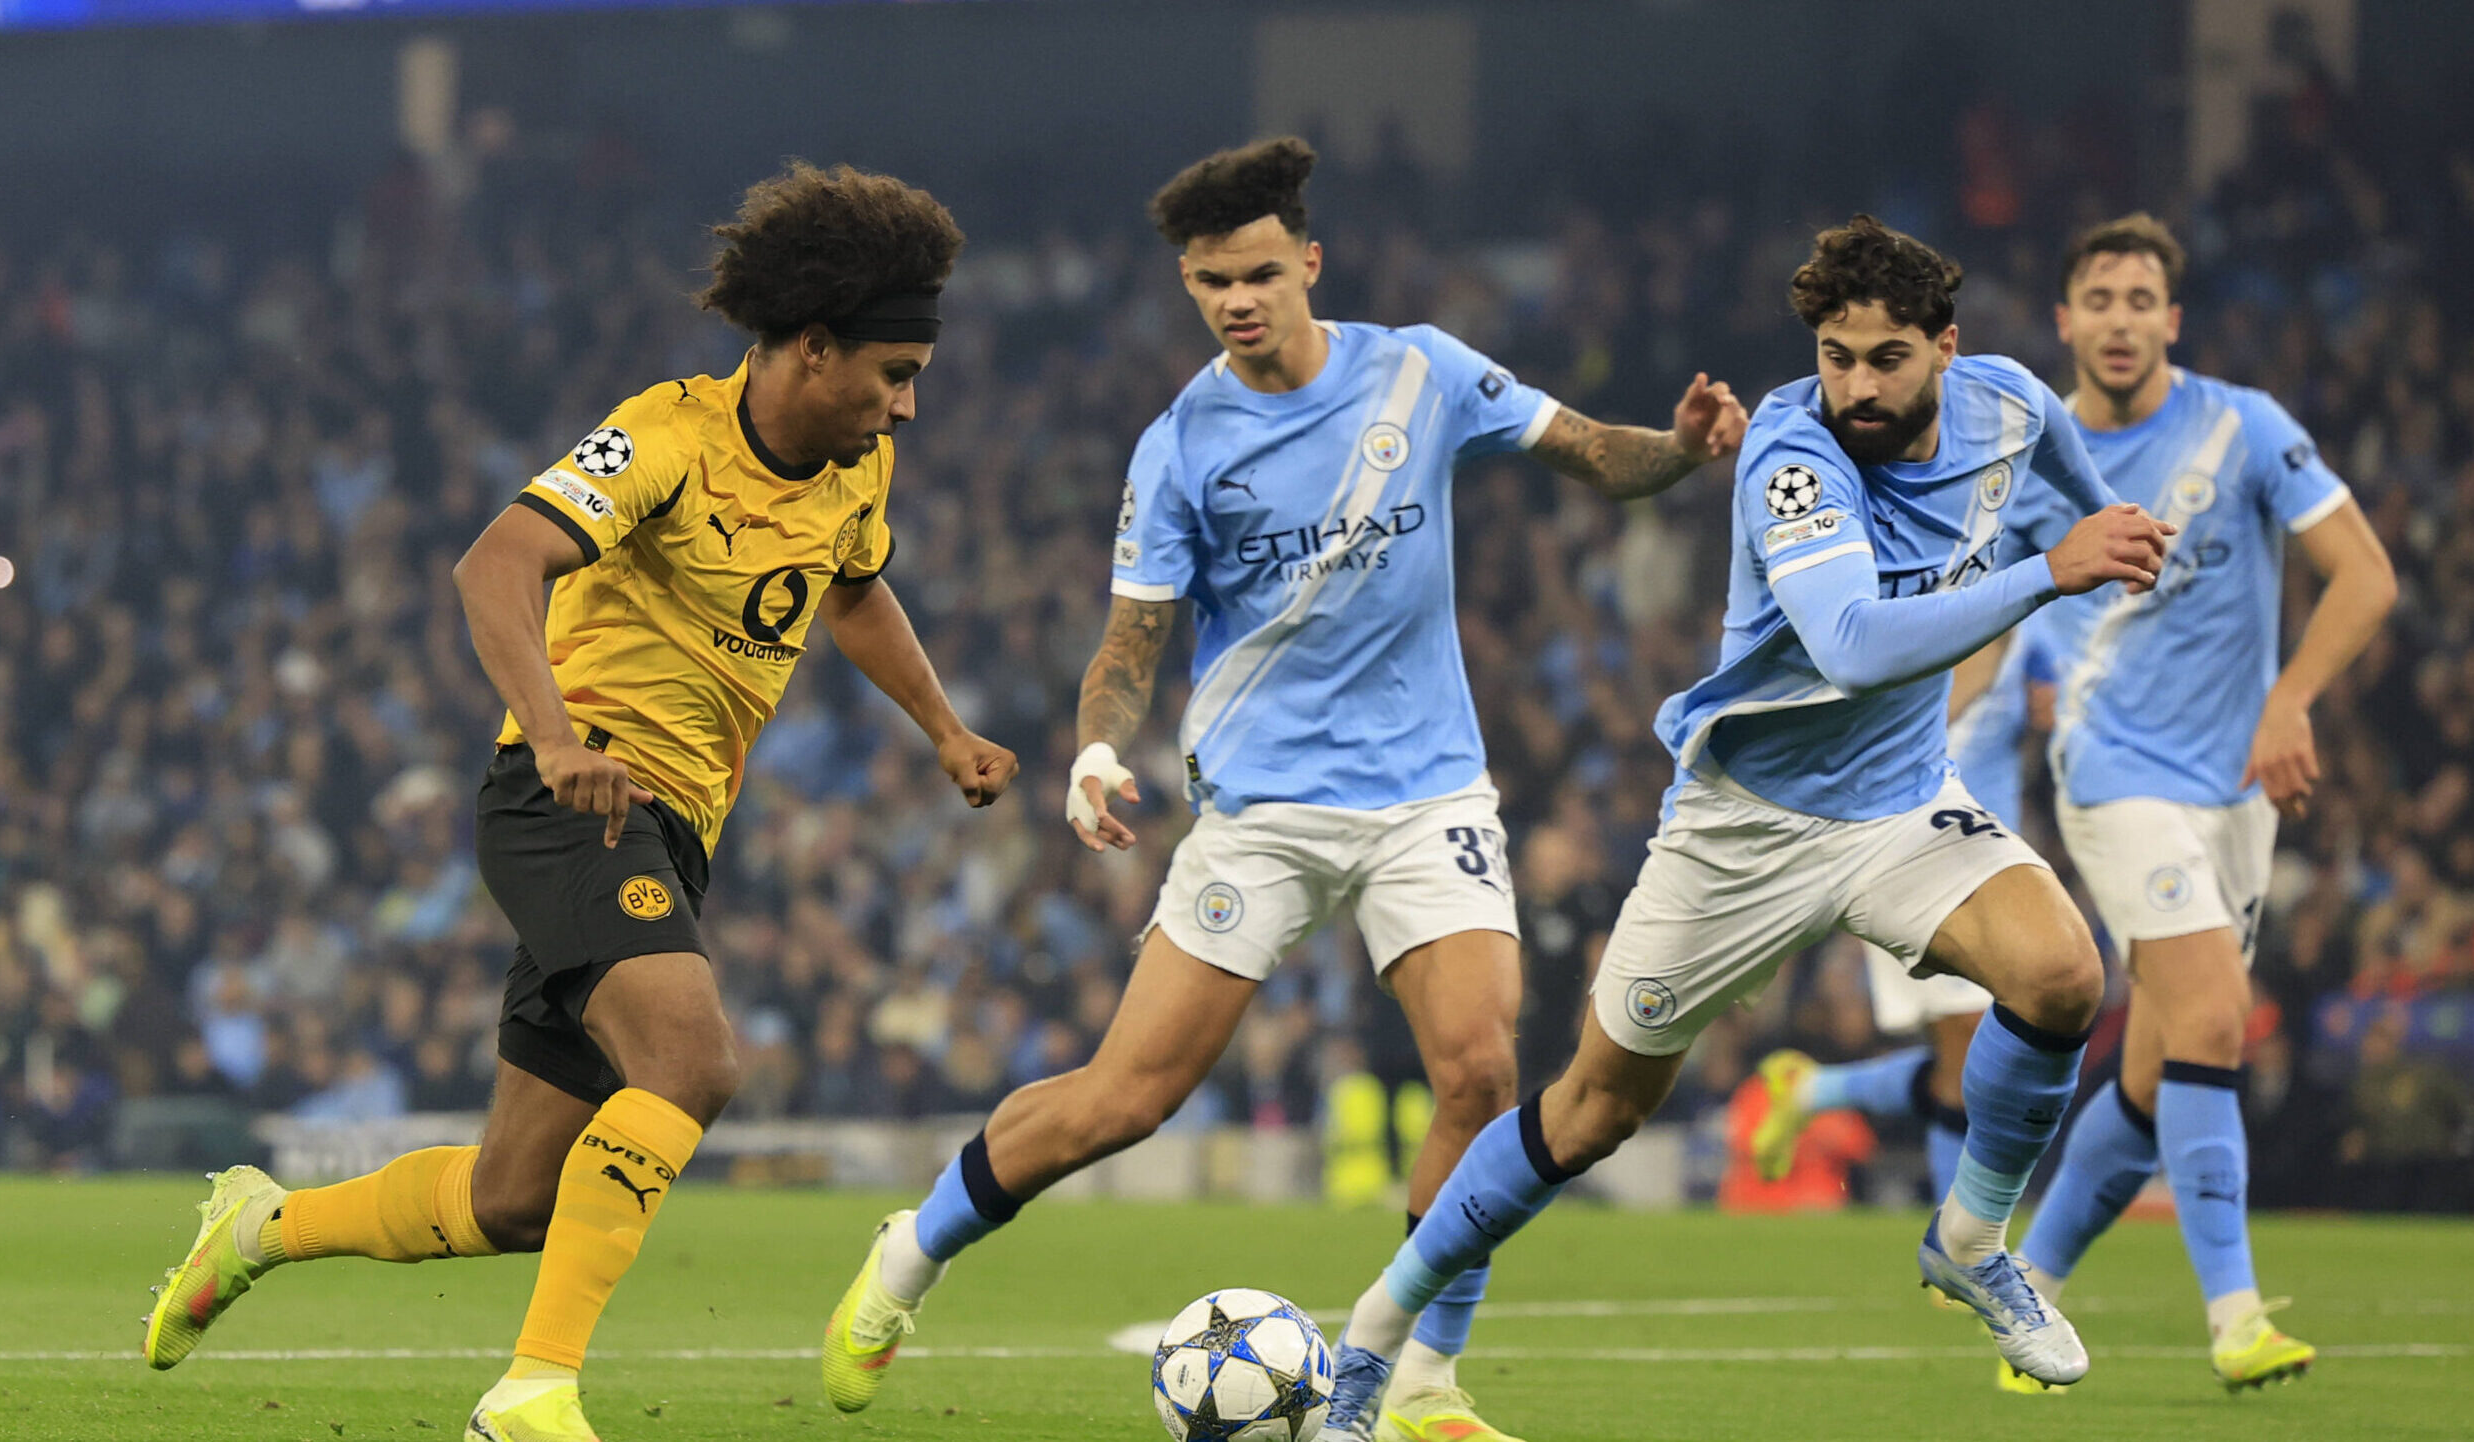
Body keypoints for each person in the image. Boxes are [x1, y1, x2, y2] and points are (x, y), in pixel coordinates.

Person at [820, 137, 1747, 1442]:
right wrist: (1096, 750)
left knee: (1480, 1072)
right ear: (1189, 287)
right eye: (1210, 282)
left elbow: (1592, 451)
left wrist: (1684, 448)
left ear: (1309, 263)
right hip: (1262, 809)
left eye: (1259, 272)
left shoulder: (1420, 368)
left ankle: (1419, 1376)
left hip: (1429, 793)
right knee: (1125, 1100)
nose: (1238, 299)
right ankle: (911, 1249)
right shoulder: (1182, 445)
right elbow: (1130, 642)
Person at [138, 162, 1019, 1442]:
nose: (908, 406)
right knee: (695, 1056)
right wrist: (553, 738)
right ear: (813, 347)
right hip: (568, 797)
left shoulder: (848, 469)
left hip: (669, 827)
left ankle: (261, 1227)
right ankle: (533, 1390)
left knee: (512, 1198)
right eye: (892, 374)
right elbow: (494, 561)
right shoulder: (665, 434)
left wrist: (943, 727)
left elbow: (855, 591)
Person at [1310, 215, 2180, 1441]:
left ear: (1946, 346)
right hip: (1743, 832)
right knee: (1588, 1112)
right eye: (1834, 355)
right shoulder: (1791, 449)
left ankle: (1972, 1241)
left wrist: (2114, 532)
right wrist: (2053, 570)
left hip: (1898, 804)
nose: (1855, 386)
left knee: (2062, 974)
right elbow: (1850, 642)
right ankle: (1376, 1335)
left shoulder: (2010, 404)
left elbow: (2075, 484)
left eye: (1884, 359)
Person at [2009, 213, 2396, 1395]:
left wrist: (2289, 699)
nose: (2120, 320)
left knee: (2159, 1064)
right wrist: (2004, 692)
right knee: (2217, 1018)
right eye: (2099, 298)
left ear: (2170, 321)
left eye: (2141, 300)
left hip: (2235, 786)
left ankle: (2026, 1291)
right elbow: (1991, 603)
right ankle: (2234, 1317)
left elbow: (2365, 575)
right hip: (2111, 772)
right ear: (2065, 319)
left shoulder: (2244, 428)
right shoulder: (2033, 456)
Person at [1750, 626, 2060, 1200]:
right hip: (1906, 845)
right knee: (1970, 1050)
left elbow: (2053, 702)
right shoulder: (1895, 617)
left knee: (1991, 1059)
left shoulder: (2033, 623)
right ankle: (1959, 1240)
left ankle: (1816, 1091)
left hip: (1999, 859)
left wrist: (2052, 707)